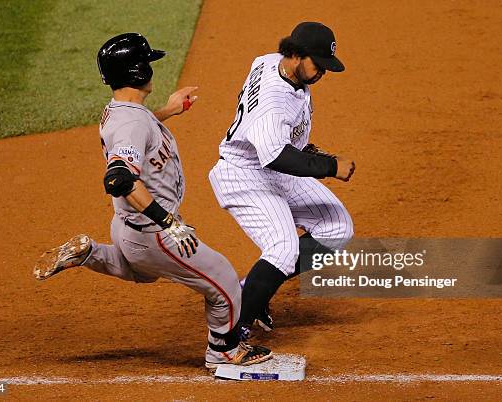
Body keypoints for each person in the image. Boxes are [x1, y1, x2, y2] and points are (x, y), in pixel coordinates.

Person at [33, 32, 272, 369]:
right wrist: (169, 222)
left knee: (143, 271)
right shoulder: (131, 121)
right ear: (138, 72)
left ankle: (91, 253)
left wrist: (169, 110)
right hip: (153, 232)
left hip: (126, 229)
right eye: (147, 63)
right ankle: (224, 351)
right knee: (225, 282)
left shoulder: (122, 112)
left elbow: (137, 133)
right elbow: (119, 179)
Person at [208, 22, 356, 339]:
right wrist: (330, 168)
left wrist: (307, 151)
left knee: (336, 228)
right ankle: (231, 335)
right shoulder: (273, 103)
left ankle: (254, 289)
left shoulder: (270, 62)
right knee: (284, 248)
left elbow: (282, 149)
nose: (322, 73)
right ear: (294, 55)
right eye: (318, 64)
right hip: (246, 174)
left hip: (274, 167)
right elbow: (276, 155)